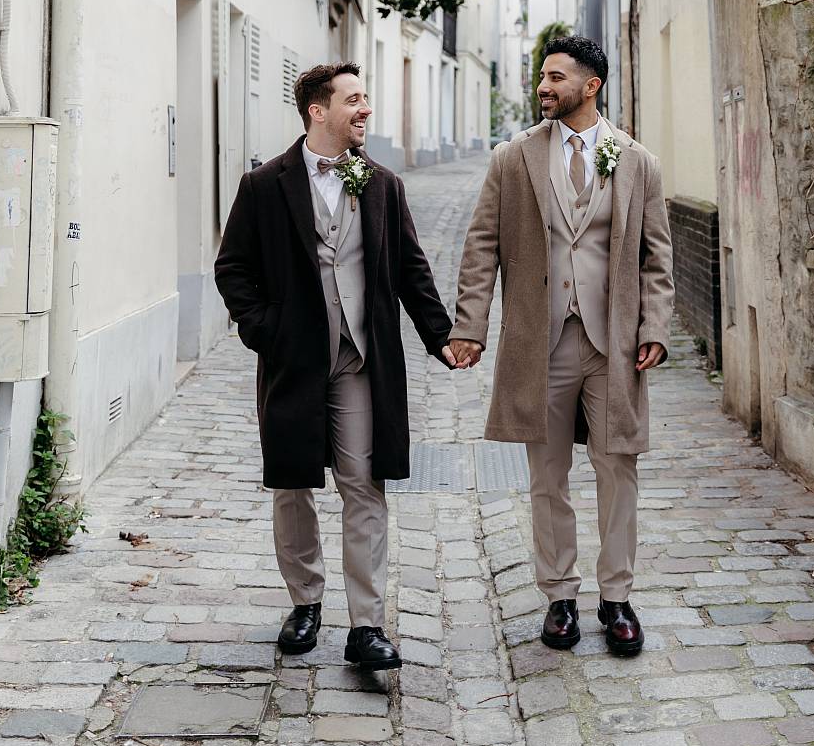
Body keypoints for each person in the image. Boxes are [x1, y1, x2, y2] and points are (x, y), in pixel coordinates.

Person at [215, 61, 455, 670]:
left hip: (358, 358)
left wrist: (442, 337)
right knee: (293, 482)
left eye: (366, 98)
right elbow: (233, 269)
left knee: (363, 482)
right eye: (355, 100)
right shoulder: (265, 186)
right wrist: (263, 329)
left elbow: (410, 270)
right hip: (293, 360)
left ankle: (367, 625)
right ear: (318, 111)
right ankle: (305, 602)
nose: (365, 110)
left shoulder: (381, 185)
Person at [448, 36, 674, 656]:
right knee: (547, 476)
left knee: (617, 467)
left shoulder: (637, 162)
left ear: (591, 85)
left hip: (614, 344)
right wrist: (469, 326)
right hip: (538, 342)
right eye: (541, 76)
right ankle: (560, 598)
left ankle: (617, 596)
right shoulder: (512, 159)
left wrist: (653, 326)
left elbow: (657, 257)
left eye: (556, 77)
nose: (543, 86)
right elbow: (481, 248)